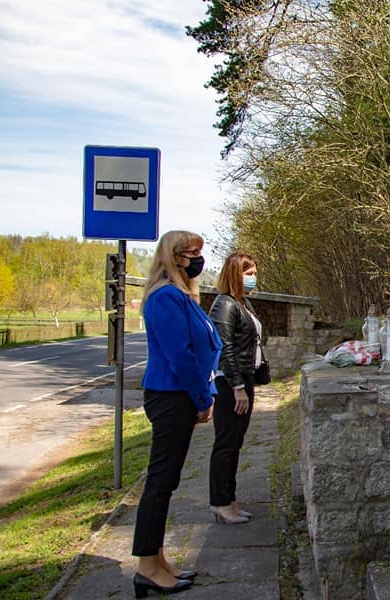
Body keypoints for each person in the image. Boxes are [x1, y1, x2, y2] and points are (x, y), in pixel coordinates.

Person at [132, 230, 221, 597]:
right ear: (174, 257)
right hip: (171, 396)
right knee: (159, 483)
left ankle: (157, 560)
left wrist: (204, 393)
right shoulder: (165, 297)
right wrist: (202, 398)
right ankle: (147, 568)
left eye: (199, 251)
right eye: (191, 252)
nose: (198, 259)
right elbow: (181, 356)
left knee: (166, 482)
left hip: (179, 395)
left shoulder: (181, 295)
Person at [207, 251, 263, 524]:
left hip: (244, 379)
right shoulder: (225, 305)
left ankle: (230, 500)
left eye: (254, 273)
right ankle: (220, 502)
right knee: (226, 443)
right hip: (231, 384)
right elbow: (225, 348)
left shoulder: (242, 303)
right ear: (235, 274)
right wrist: (237, 386)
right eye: (249, 273)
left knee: (235, 442)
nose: (253, 278)